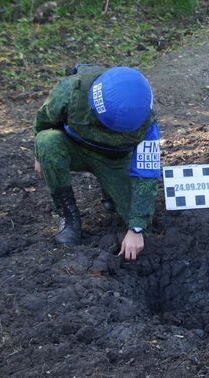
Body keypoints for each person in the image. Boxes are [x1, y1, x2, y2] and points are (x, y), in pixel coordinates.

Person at [33, 65, 161, 261]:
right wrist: (39, 155)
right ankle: (69, 218)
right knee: (46, 142)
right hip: (73, 147)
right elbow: (44, 120)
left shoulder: (146, 121)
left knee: (142, 223)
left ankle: (109, 190)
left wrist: (136, 228)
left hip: (114, 161)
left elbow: (146, 173)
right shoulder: (72, 90)